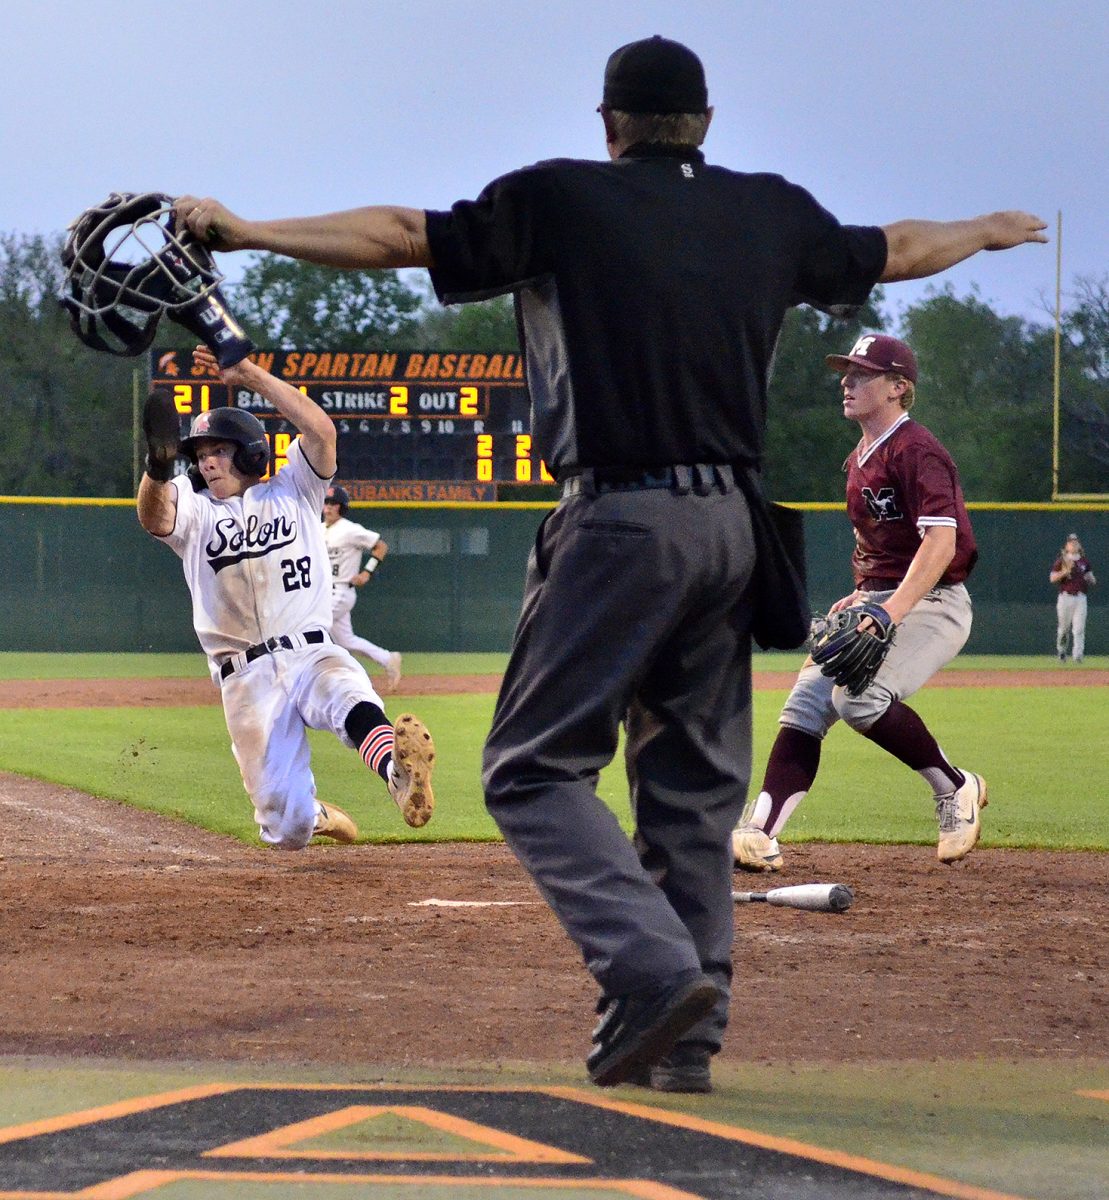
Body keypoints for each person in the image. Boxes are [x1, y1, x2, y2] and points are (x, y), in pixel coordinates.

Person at [175, 35, 1045, 1092]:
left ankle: (644, 972)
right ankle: (686, 1041)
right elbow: (900, 246)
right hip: (736, 527)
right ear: (705, 127)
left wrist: (244, 229)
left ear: (607, 124)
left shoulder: (560, 200)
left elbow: (402, 234)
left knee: (531, 770)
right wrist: (987, 232)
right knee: (684, 793)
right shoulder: (765, 208)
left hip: (620, 517)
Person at [136, 345, 435, 850]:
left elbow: (321, 431)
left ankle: (396, 772)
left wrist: (248, 374)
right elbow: (153, 517)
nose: (207, 462)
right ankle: (316, 813)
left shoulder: (295, 486)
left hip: (309, 648)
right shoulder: (192, 507)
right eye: (200, 454)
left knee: (348, 693)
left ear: (253, 451)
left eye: (219, 450)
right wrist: (159, 468)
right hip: (245, 676)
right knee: (287, 830)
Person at [732, 333, 987, 878]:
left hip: (934, 599)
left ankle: (956, 786)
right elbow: (880, 545)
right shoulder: (859, 458)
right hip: (881, 598)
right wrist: (862, 591)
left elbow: (940, 546)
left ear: (899, 387)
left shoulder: (917, 450)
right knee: (804, 707)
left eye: (862, 374)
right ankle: (761, 832)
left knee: (860, 699)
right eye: (846, 372)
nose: (847, 382)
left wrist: (888, 610)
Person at [322, 484, 403, 692]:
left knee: (312, 626)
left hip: (340, 590)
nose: (328, 508)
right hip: (323, 591)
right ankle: (388, 659)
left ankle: (334, 679)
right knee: (346, 641)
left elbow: (381, 546)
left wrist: (367, 572)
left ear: (342, 507)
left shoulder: (349, 529)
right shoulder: (319, 529)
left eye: (334, 504)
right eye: (326, 503)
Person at [1050, 534, 1096, 663]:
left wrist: (1090, 578)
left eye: (1075, 542)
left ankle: (1078, 656)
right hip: (1065, 597)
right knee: (1064, 628)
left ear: (1079, 545)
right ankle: (1061, 651)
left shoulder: (1084, 561)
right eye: (1071, 542)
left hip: (1080, 597)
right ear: (1067, 545)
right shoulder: (1061, 560)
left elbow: (1092, 578)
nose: (1073, 544)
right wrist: (1065, 571)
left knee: (1079, 628)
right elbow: (1052, 578)